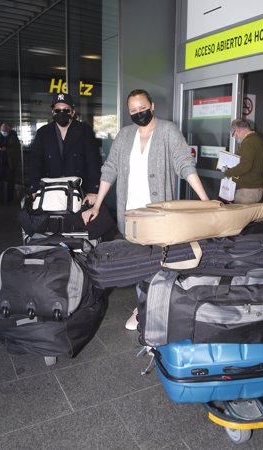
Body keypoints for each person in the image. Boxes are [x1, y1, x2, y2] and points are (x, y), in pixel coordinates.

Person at [82, 88, 209, 330]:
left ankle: (147, 310)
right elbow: (109, 170)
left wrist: (205, 200)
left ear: (152, 106)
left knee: (158, 265)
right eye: (133, 111)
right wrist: (97, 204)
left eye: (142, 108)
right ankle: (144, 307)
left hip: (158, 217)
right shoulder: (124, 135)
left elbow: (184, 164)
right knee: (139, 264)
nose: (138, 113)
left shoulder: (167, 130)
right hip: (131, 217)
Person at [30, 93, 102, 202]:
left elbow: (93, 162)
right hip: (50, 190)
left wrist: (93, 190)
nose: (62, 113)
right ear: (53, 112)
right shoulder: (43, 133)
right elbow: (35, 162)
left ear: (72, 112)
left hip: (79, 190)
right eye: (58, 110)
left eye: (66, 110)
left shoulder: (84, 131)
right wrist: (34, 188)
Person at [225, 118, 263, 203]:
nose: (235, 138)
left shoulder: (248, 143)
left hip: (246, 191)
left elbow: (245, 165)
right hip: (257, 189)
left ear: (238, 130)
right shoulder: (260, 141)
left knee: (241, 216)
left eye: (234, 134)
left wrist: (228, 172)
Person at [0, 123, 21, 201]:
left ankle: (9, 197)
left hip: (10, 163)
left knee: (10, 181)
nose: (3, 131)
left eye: (5, 129)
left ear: (9, 129)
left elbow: (16, 149)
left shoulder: (14, 138)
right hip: (0, 162)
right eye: (2, 129)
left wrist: (6, 149)